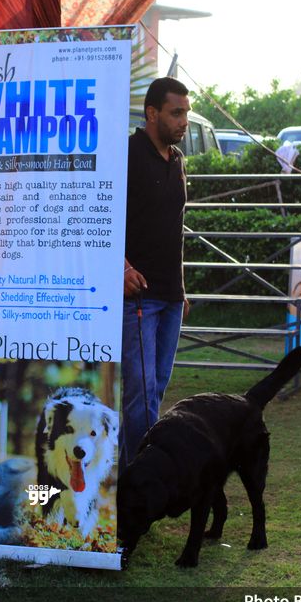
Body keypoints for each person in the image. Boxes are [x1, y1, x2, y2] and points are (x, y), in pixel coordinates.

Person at [120, 77, 191, 472]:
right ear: (152, 113)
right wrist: (122, 267)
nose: (184, 121)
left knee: (156, 389)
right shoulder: (127, 154)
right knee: (141, 394)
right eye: (176, 113)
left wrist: (182, 290)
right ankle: (140, 481)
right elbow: (101, 217)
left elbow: (173, 228)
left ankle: (130, 474)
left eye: (186, 113)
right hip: (138, 296)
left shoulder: (177, 159)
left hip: (171, 296)